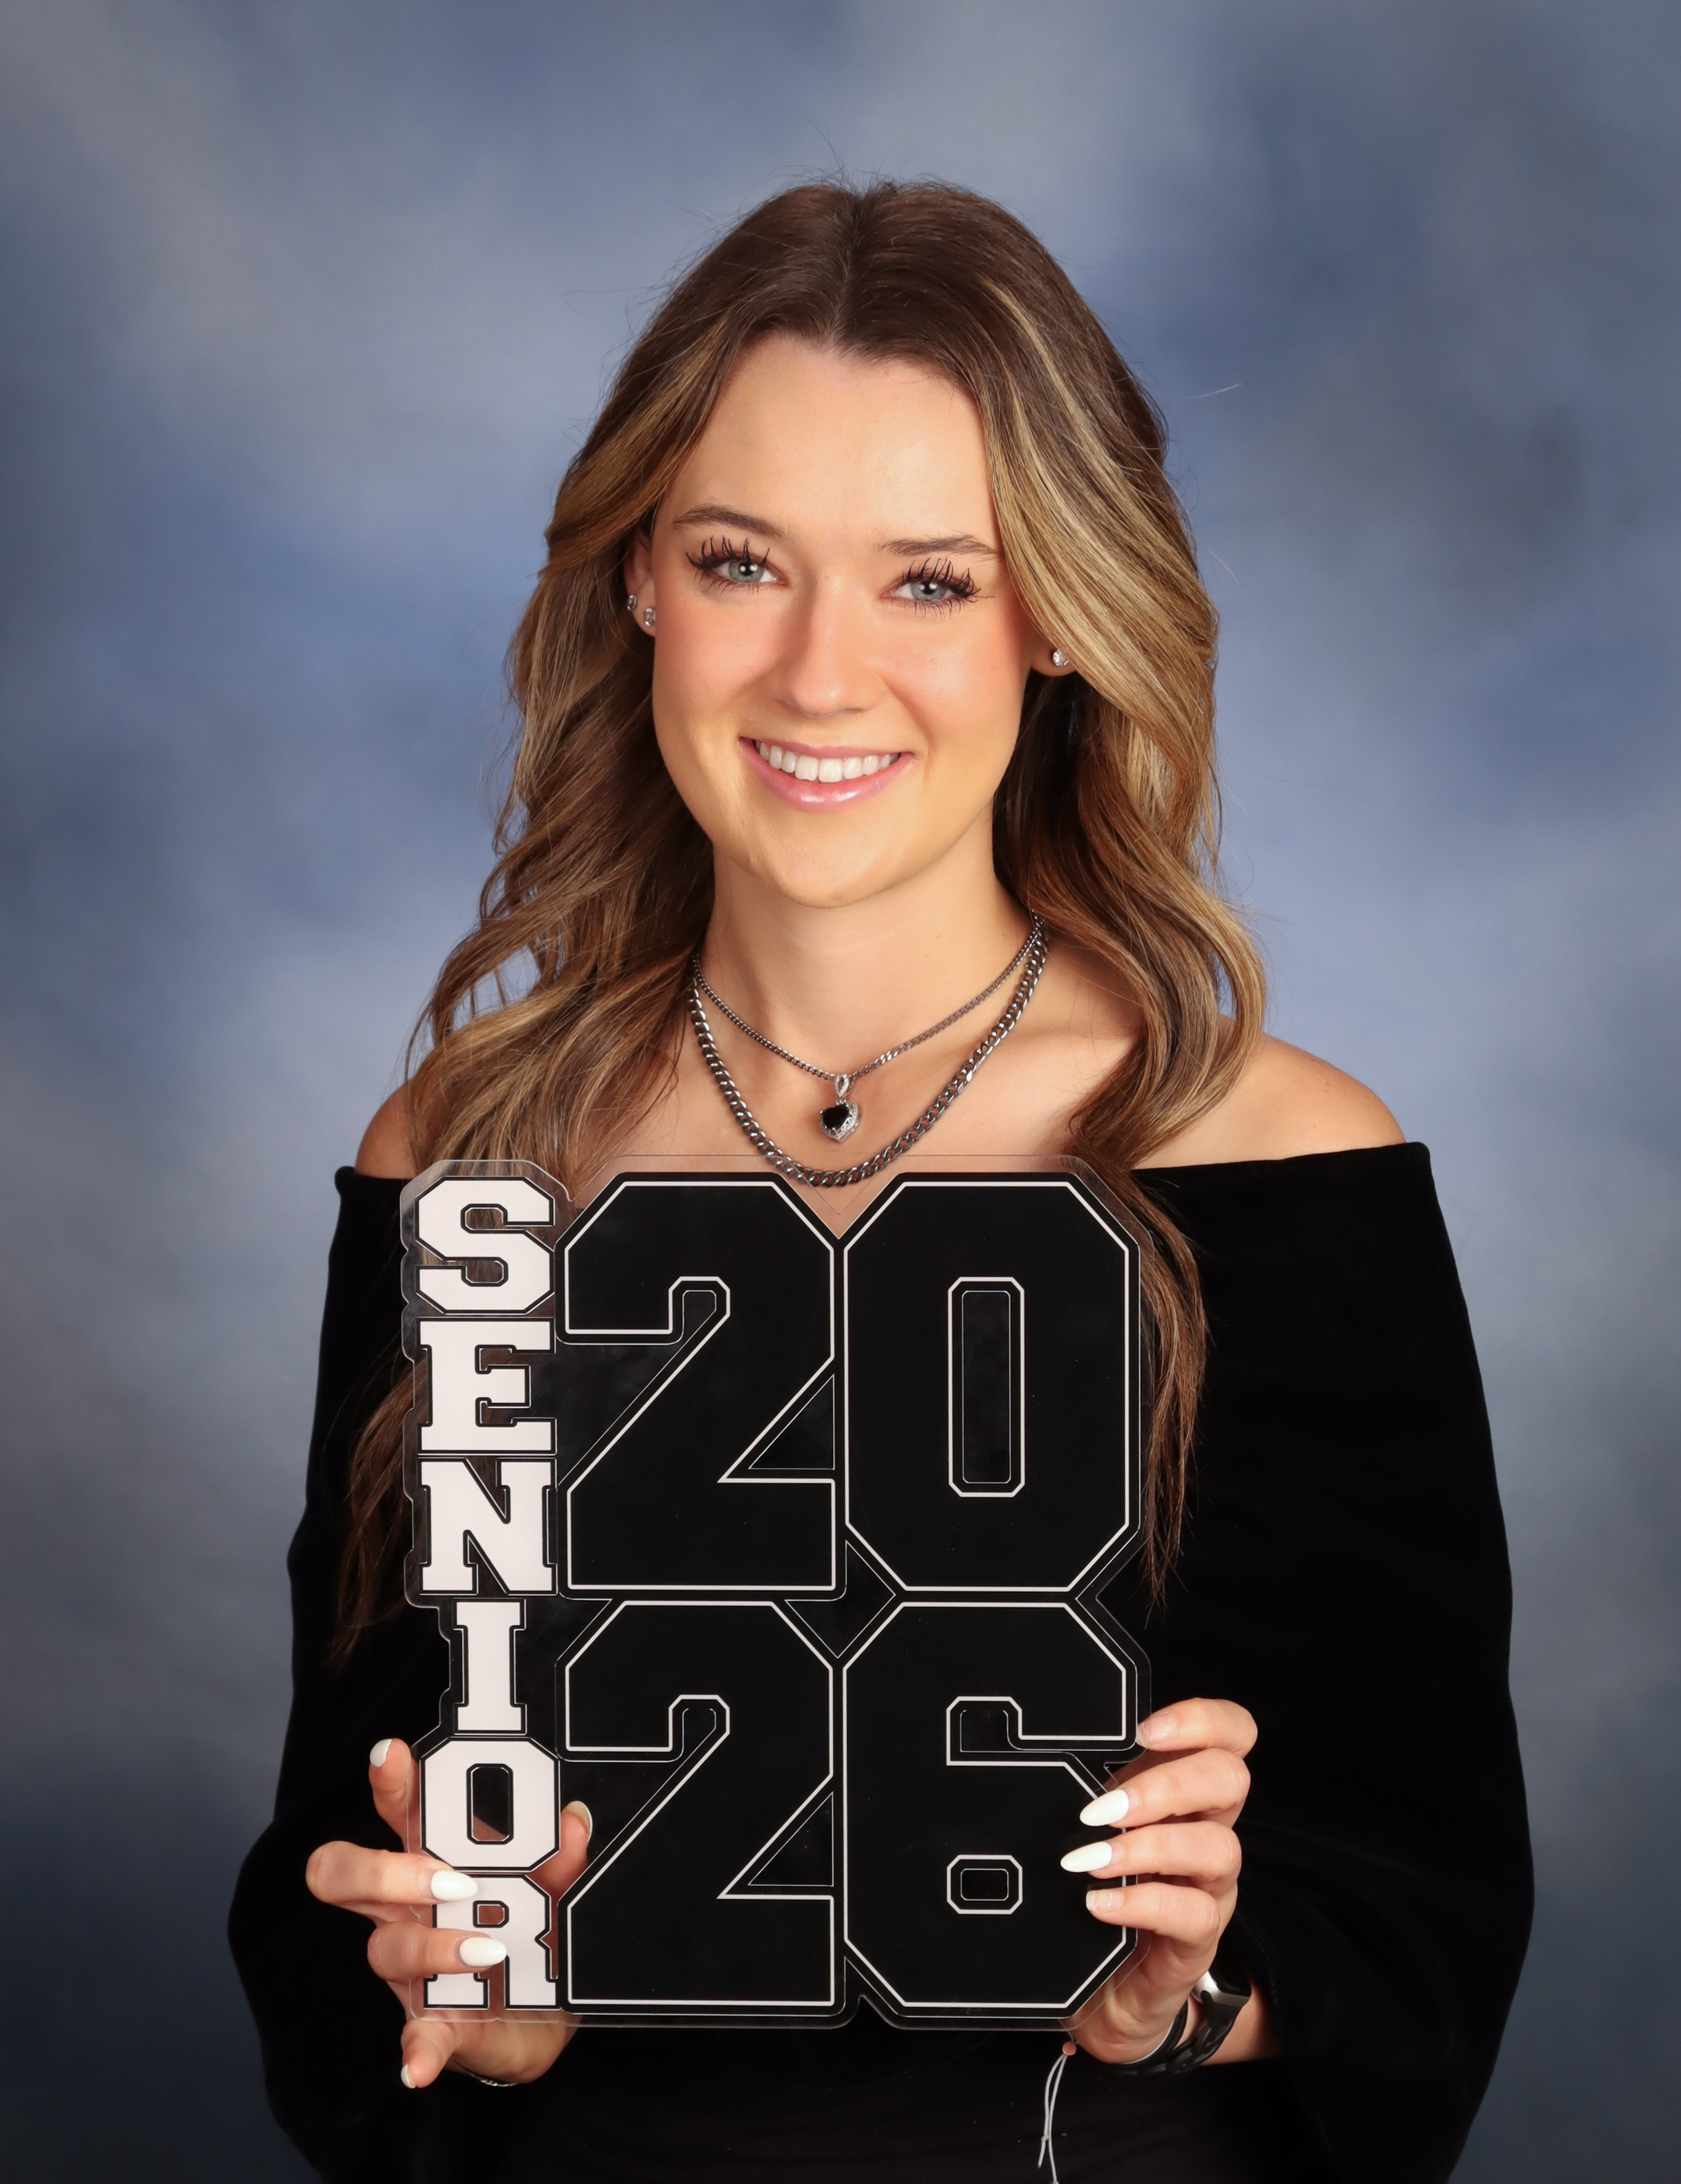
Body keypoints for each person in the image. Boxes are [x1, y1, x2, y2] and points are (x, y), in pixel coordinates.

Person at [230, 179, 1531, 2183]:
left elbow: (1423, 1905)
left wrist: (1189, 1982)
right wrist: (472, 2005)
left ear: (1059, 614)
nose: (820, 672)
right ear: (639, 580)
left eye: (930, 578)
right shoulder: (467, 1164)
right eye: (741, 559)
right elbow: (346, 1836)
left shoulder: (1277, 1163)